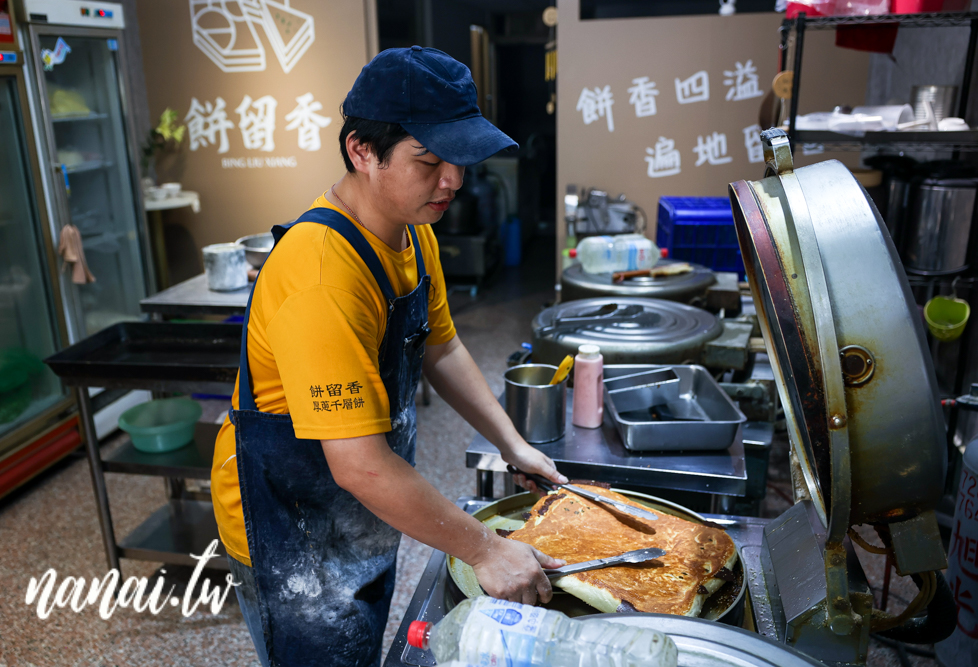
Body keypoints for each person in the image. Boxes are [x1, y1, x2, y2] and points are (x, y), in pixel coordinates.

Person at [210, 46, 568, 667]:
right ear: (362, 152)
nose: (452, 180)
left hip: (360, 497)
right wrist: (486, 549)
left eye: (458, 159)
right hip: (290, 517)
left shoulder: (414, 231)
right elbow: (359, 466)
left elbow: (443, 344)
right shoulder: (322, 274)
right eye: (428, 159)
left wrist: (511, 443)